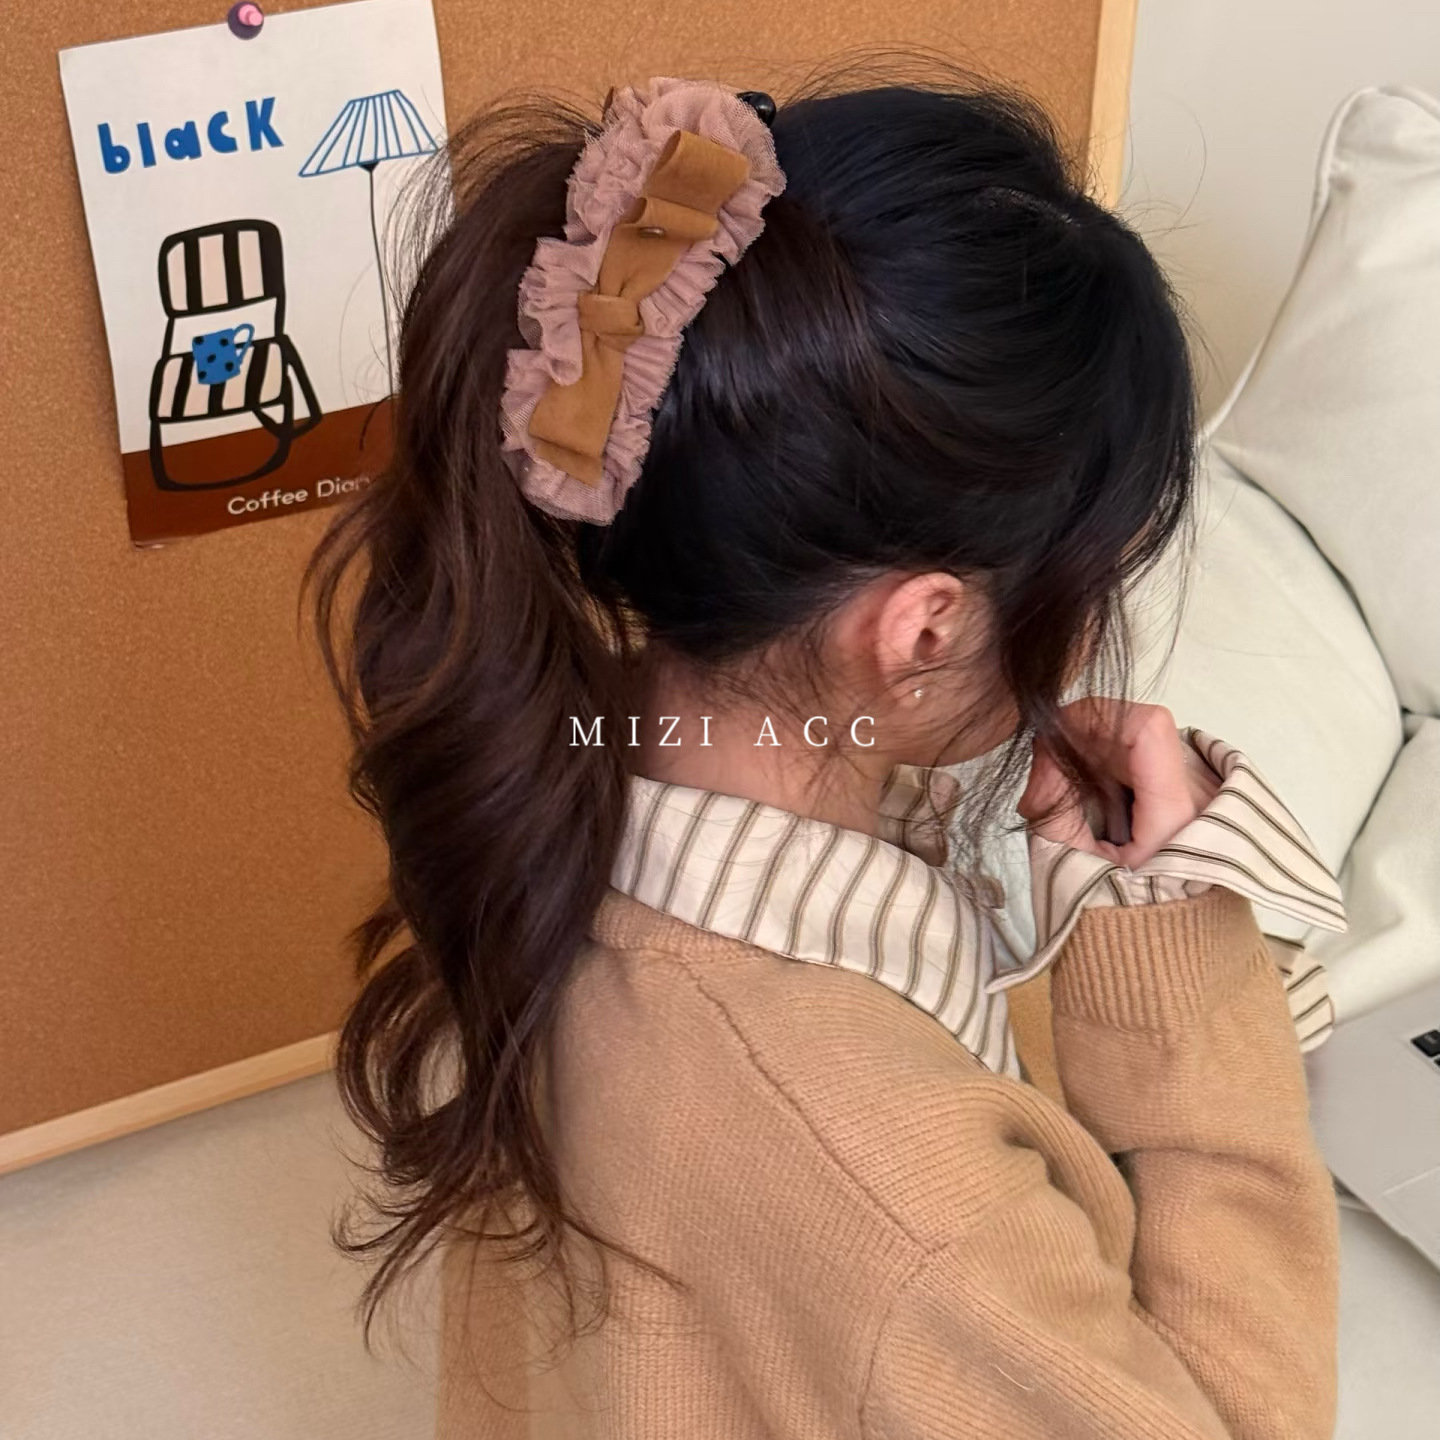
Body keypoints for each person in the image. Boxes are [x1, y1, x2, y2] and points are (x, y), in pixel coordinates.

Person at [307, 64, 1348, 1439]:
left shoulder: (548, 770)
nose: (1094, 627)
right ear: (923, 629)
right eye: (1093, 580)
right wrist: (1187, 966)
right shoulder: (900, 1191)